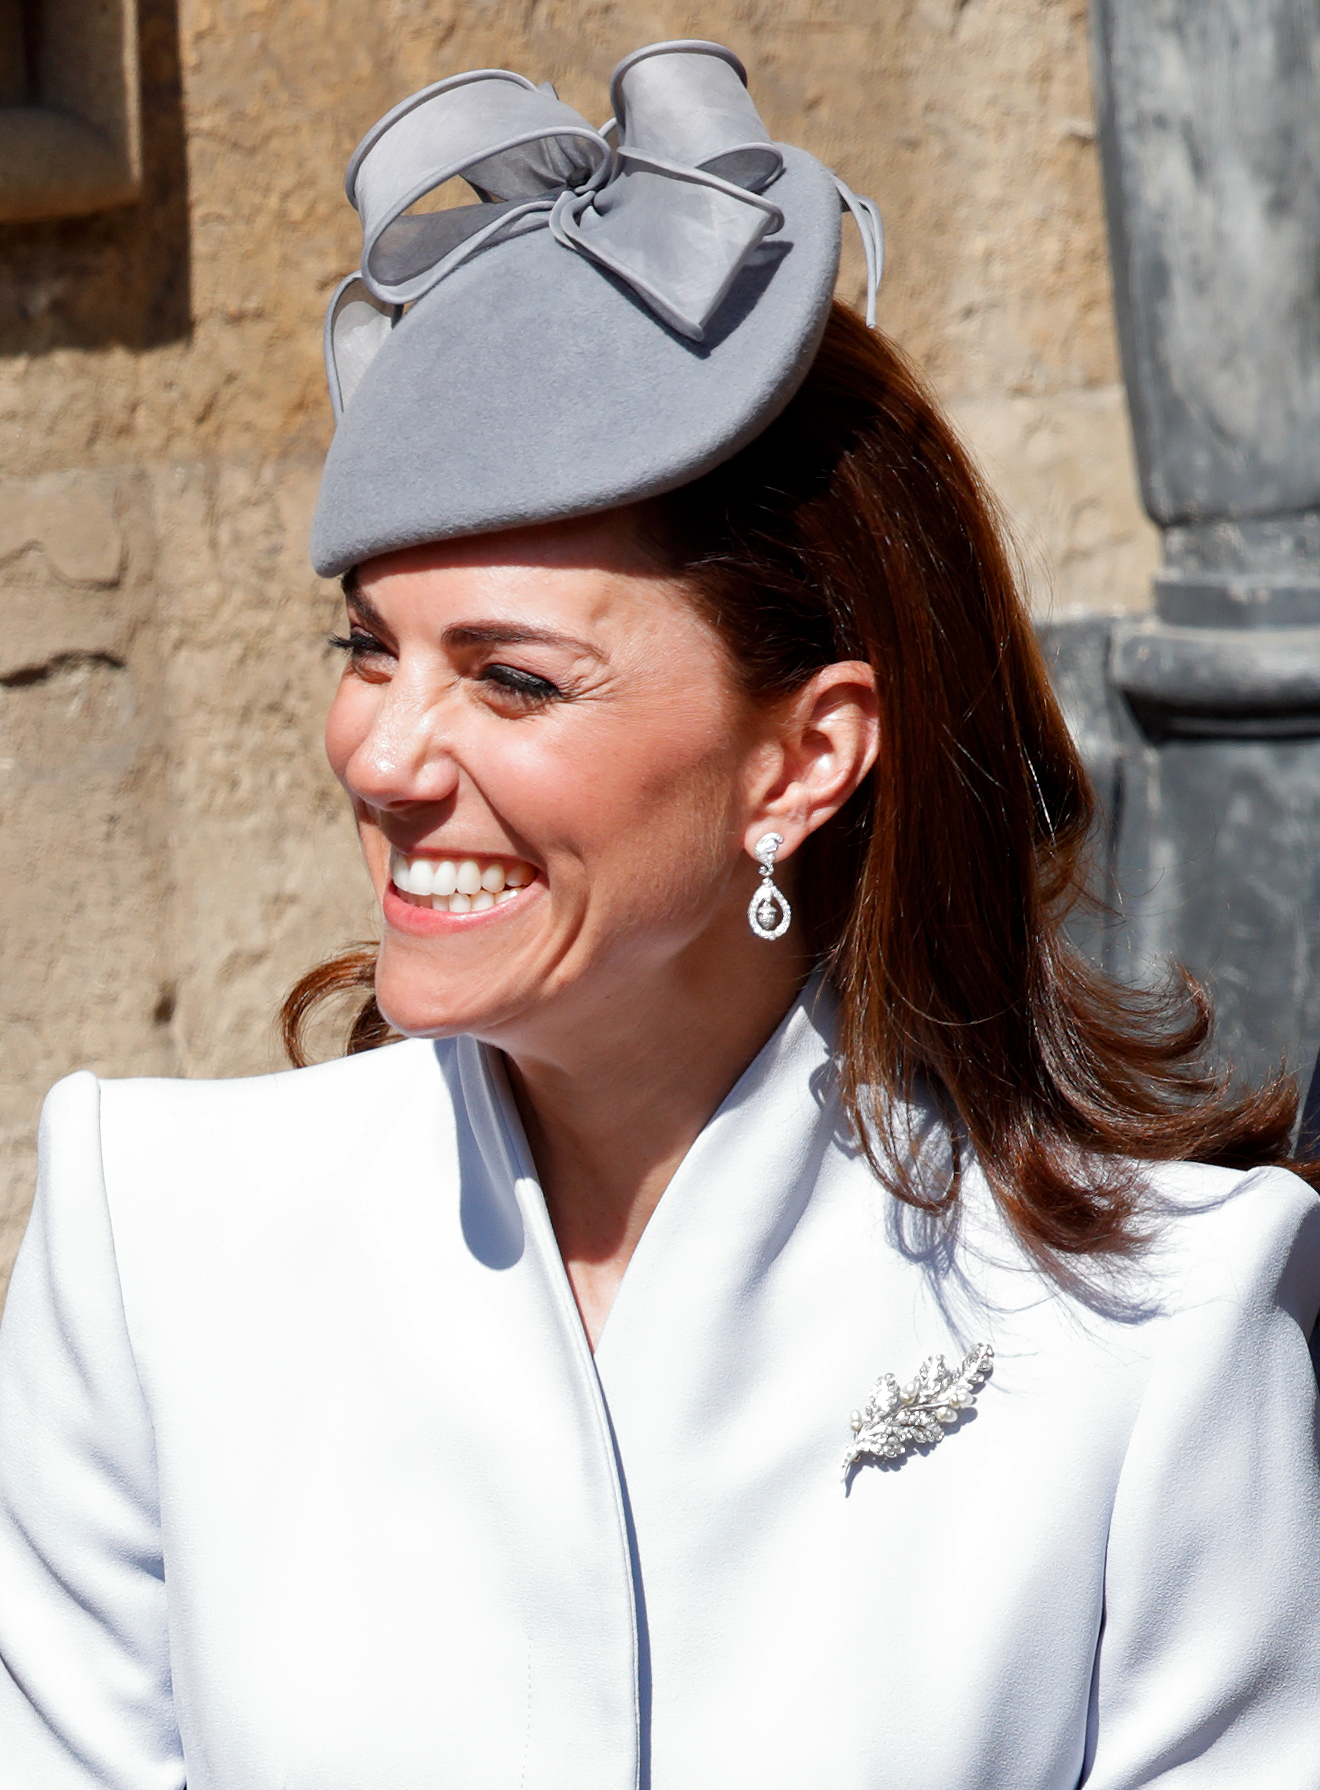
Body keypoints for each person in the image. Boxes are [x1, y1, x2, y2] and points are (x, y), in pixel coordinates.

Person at [1, 38, 1318, 1790]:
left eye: (513, 680)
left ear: (805, 758)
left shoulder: (1164, 1333)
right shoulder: (154, 1240)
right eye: (368, 647)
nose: (382, 755)